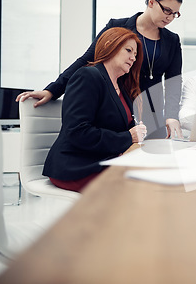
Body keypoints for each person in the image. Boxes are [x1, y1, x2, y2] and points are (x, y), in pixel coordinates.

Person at [17, 0, 184, 138]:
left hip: (152, 114)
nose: (170, 17)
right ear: (152, 2)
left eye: (175, 13)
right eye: (167, 10)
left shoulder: (172, 40)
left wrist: (171, 116)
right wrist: (53, 90)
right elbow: (86, 60)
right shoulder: (117, 27)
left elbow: (174, 82)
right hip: (118, 111)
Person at [42, 27, 147, 192]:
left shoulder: (121, 87)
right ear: (109, 45)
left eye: (135, 54)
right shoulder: (88, 76)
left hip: (103, 161)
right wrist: (128, 137)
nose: (133, 57)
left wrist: (135, 136)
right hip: (76, 167)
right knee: (145, 185)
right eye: (129, 50)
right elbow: (77, 132)